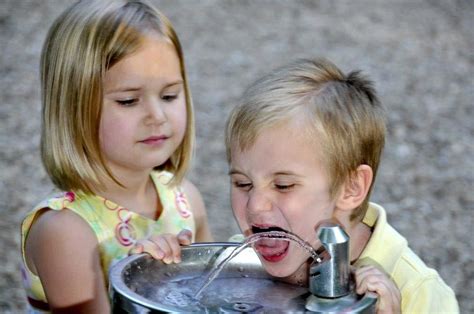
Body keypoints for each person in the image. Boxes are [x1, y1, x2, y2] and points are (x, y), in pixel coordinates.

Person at [20, 0, 213, 312]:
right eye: (128, 100)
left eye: (169, 96)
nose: (157, 115)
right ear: (74, 109)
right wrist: (138, 281)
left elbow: (212, 297)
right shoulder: (65, 232)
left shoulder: (186, 200)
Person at [225, 58, 459, 313]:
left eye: (283, 185)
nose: (255, 205)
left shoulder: (417, 290)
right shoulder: (238, 267)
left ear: (351, 188)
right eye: (243, 183)